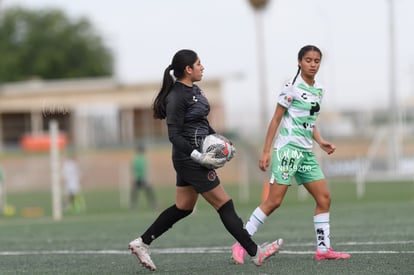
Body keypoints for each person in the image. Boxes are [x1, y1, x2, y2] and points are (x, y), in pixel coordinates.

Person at [128, 49, 283, 271]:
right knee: (224, 204)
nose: (203, 67)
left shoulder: (196, 90)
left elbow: (202, 123)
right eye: (199, 64)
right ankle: (256, 253)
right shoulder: (176, 97)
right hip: (189, 159)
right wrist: (198, 156)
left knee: (184, 207)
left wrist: (222, 141)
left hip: (195, 157)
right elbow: (174, 135)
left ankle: (142, 243)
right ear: (187, 69)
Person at [231, 45, 351, 264]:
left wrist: (321, 142)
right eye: (308, 60)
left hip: (306, 153)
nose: (312, 64)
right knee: (274, 201)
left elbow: (309, 122)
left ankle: (323, 250)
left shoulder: (320, 90)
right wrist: (266, 151)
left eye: (316, 61)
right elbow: (276, 119)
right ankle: (241, 242)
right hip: (288, 151)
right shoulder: (291, 88)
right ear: (299, 62)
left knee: (324, 198)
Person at [130, 144, 158, 210]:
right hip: (142, 178)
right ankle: (153, 204)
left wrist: (133, 177)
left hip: (137, 178)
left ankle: (133, 204)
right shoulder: (143, 159)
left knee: (135, 191)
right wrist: (147, 178)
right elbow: (144, 169)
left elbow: (133, 169)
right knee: (148, 191)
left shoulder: (135, 159)